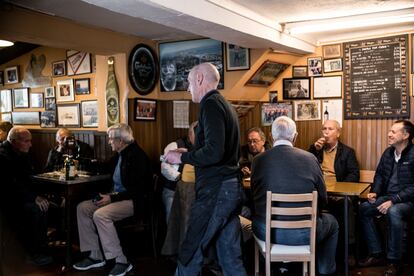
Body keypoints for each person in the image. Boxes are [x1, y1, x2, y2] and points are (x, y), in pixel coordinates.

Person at [164, 63, 247, 275]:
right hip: (229, 189)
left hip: (216, 191)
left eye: (190, 82)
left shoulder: (210, 104)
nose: (188, 88)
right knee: (229, 256)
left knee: (191, 249)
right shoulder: (224, 104)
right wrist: (187, 153)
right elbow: (217, 149)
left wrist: (182, 158)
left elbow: (214, 152)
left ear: (200, 79)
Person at [251, 116, 339, 276]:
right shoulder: (310, 159)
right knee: (332, 223)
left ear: (271, 136)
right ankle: (326, 270)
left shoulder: (258, 161)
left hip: (266, 232)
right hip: (304, 234)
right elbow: (323, 199)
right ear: (295, 136)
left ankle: (272, 268)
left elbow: (254, 196)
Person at [72, 123, 152, 276]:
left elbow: (138, 191)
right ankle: (95, 256)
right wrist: (83, 163)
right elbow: (104, 167)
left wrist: (112, 198)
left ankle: (121, 261)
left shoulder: (138, 157)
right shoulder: (120, 154)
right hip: (116, 198)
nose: (109, 142)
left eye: (110, 139)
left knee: (100, 215)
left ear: (120, 141)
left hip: (134, 202)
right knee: (83, 208)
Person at [358, 120, 414, 276]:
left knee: (393, 212)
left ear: (406, 135)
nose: (389, 134)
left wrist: (393, 200)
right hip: (388, 197)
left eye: (393, 132)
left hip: (408, 202)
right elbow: (380, 175)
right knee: (364, 209)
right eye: (390, 131)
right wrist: (375, 191)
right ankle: (376, 254)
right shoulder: (388, 153)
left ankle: (394, 261)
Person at [308, 119, 359, 264]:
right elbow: (305, 169)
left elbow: (354, 175)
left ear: (338, 133)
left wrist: (337, 189)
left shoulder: (347, 152)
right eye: (324, 129)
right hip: (319, 193)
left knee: (346, 204)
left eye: (330, 129)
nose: (326, 132)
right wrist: (314, 151)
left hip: (338, 194)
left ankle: (348, 250)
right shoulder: (315, 150)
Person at [0, 126, 53, 266]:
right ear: (13, 141)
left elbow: (29, 177)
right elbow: (11, 185)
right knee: (36, 209)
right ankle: (32, 253)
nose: (30, 144)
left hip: (21, 196)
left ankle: (42, 247)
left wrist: (40, 195)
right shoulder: (2, 156)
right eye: (26, 141)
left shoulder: (21, 152)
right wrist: (34, 197)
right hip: (8, 201)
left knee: (48, 204)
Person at [161, 121, 197, 223]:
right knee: (174, 217)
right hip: (173, 191)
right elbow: (164, 168)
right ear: (190, 134)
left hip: (193, 192)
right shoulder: (175, 146)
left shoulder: (203, 149)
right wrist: (181, 177)